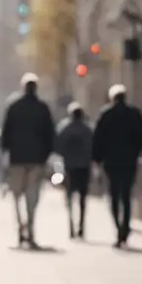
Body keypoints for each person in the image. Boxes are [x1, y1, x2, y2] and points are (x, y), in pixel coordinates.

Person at [0, 73, 55, 248]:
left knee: (16, 196)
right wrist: (47, 154)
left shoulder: (13, 106)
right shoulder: (43, 108)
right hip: (37, 160)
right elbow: (50, 134)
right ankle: (30, 229)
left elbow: (5, 133)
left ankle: (20, 227)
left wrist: (6, 150)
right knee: (32, 197)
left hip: (17, 158)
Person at [92, 83, 142, 248]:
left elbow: (98, 139)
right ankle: (125, 228)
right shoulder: (134, 114)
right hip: (129, 161)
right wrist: (136, 152)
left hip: (111, 162)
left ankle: (118, 228)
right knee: (126, 196)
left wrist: (97, 159)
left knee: (114, 196)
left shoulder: (105, 114)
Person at [55, 102, 94, 240]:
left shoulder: (64, 128)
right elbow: (93, 147)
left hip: (69, 167)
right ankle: (81, 227)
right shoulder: (88, 129)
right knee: (83, 199)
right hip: (84, 166)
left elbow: (58, 146)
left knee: (70, 197)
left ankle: (71, 226)